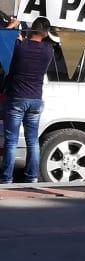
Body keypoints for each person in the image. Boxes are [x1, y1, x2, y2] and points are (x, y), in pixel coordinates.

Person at [2, 16, 55, 184]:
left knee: (11, 141)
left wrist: (13, 25)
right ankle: (32, 177)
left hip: (17, 98)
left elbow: (3, 38)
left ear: (31, 28)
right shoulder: (48, 50)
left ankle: (6, 179)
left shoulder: (20, 46)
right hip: (35, 101)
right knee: (33, 141)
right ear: (46, 34)